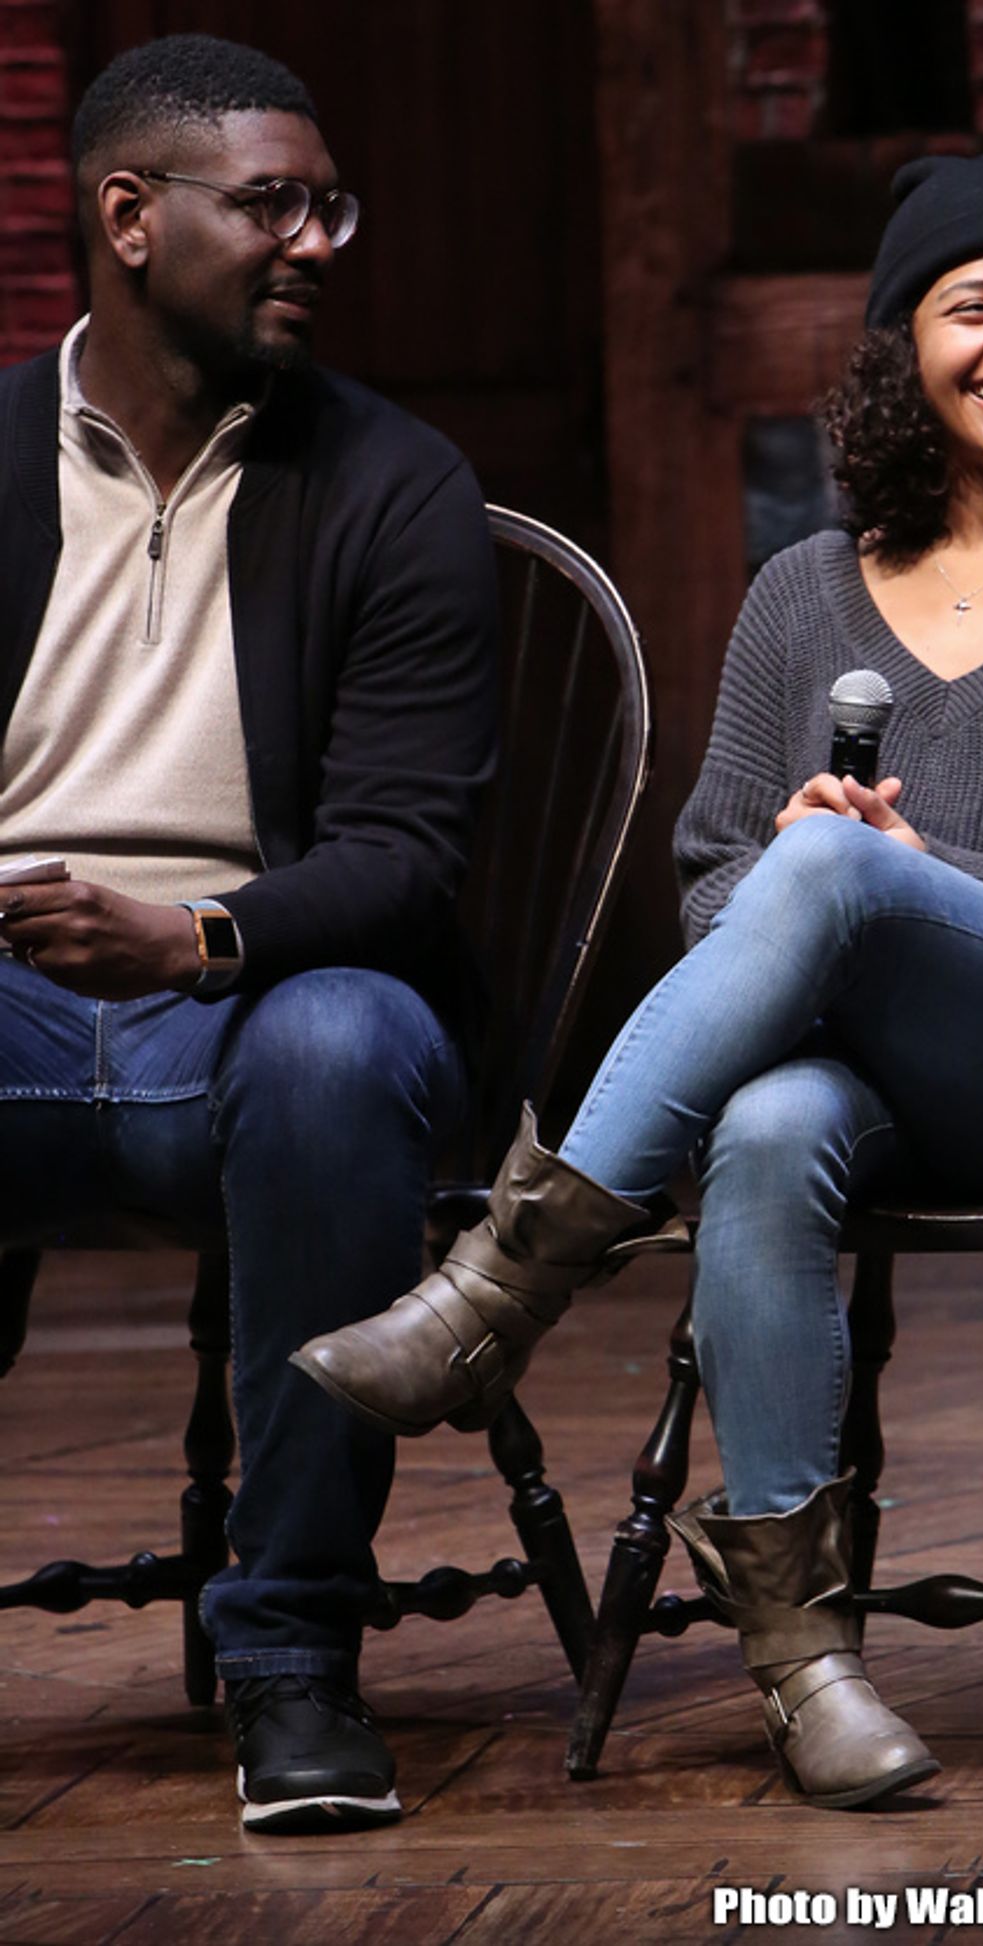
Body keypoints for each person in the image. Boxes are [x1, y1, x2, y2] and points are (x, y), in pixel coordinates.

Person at [297, 151, 983, 1809]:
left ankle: (497, 1293)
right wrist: (819, 885)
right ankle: (806, 1665)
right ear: (901, 342)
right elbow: (712, 892)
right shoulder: (801, 593)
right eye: (970, 305)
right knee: (764, 1115)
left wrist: (909, 878)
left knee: (836, 861)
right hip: (869, 1076)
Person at [0, 36, 496, 1830]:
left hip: (266, 983)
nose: (315, 242)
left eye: (327, 204)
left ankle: (292, 1659)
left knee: (341, 1044)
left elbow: (406, 854)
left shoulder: (393, 483)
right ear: (131, 218)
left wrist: (196, 938)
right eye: (271, 203)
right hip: (13, 991)